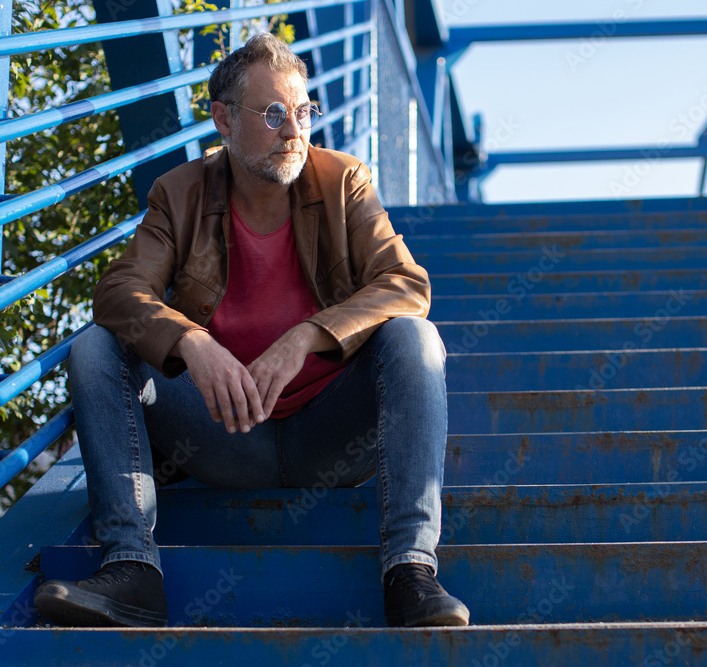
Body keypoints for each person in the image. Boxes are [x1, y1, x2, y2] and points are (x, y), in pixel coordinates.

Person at [33, 32, 469, 629]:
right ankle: (133, 569)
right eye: (272, 114)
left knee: (415, 338)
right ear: (224, 120)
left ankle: (410, 572)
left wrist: (307, 336)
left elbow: (406, 284)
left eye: (302, 111)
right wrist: (192, 341)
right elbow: (118, 293)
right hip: (223, 435)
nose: (294, 129)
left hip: (331, 433)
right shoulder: (180, 195)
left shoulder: (344, 182)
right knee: (97, 346)